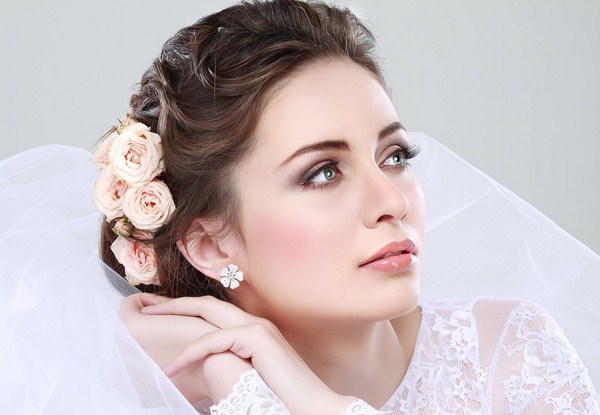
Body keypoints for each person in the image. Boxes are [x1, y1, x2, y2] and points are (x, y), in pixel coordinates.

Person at [1, 0, 598, 414]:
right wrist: (230, 381)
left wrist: (311, 402)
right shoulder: (144, 399)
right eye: (323, 173)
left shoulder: (509, 355)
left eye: (394, 156)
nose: (392, 201)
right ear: (209, 245)